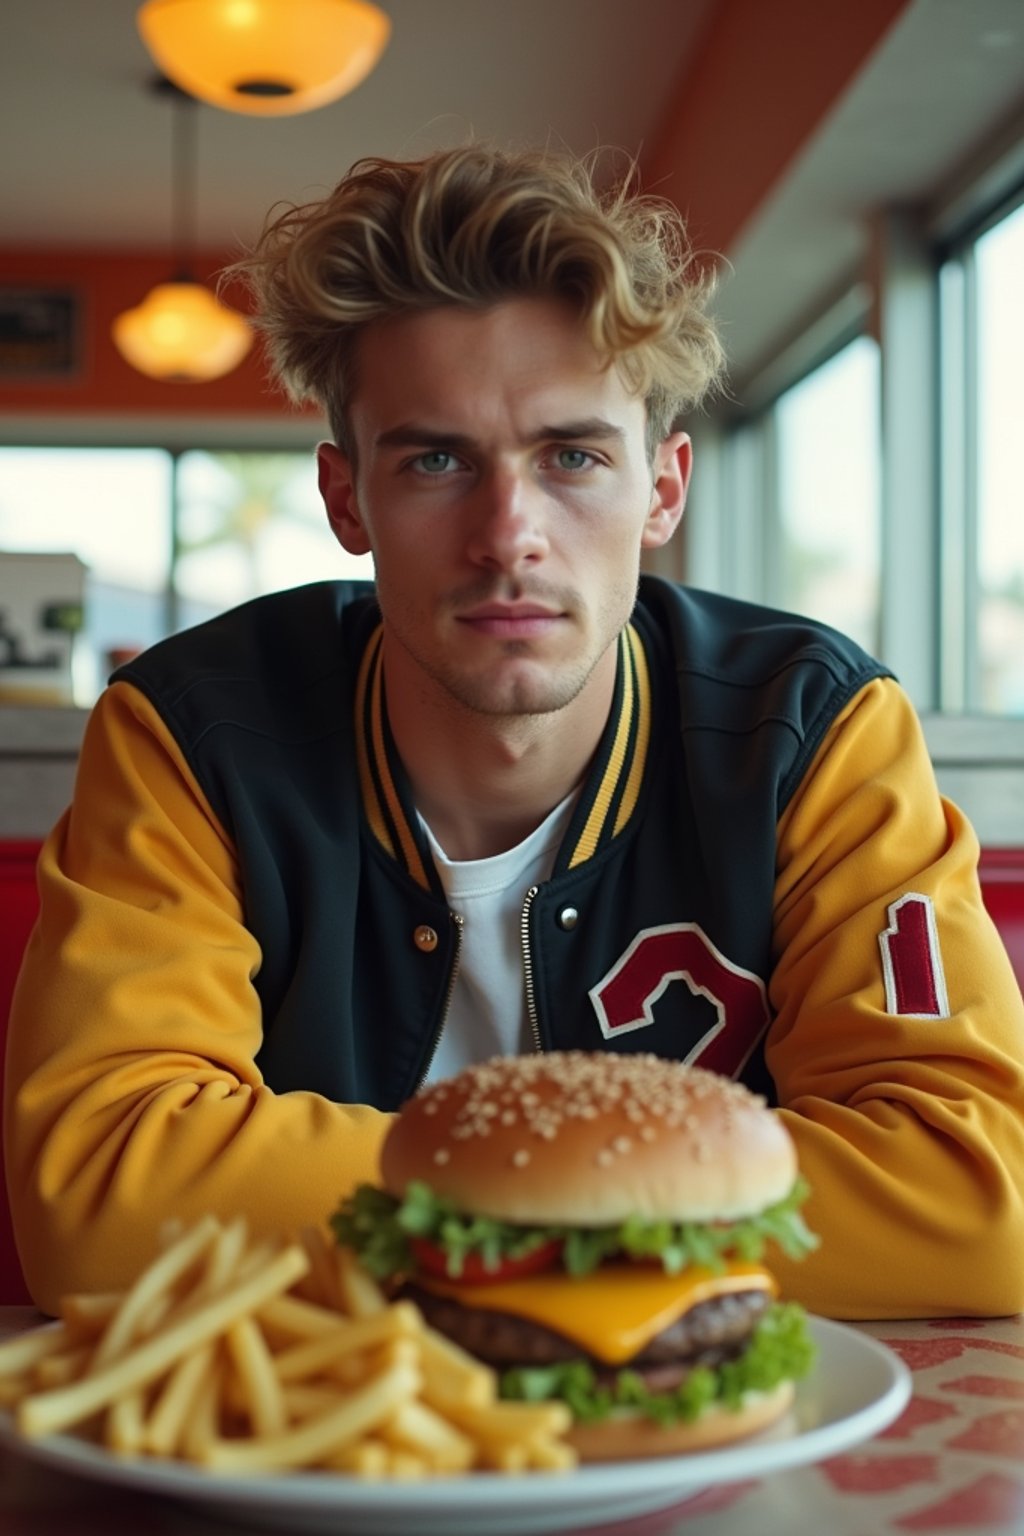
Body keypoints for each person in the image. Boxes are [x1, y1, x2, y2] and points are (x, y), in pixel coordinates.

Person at [6, 145, 1024, 1320]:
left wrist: (451, 1211)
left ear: (664, 491)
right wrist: (616, 1216)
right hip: (318, 1455)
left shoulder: (814, 730)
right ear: (348, 499)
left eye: (573, 457)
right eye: (436, 459)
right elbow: (95, 1205)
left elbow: (977, 1196)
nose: (508, 534)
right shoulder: (192, 735)